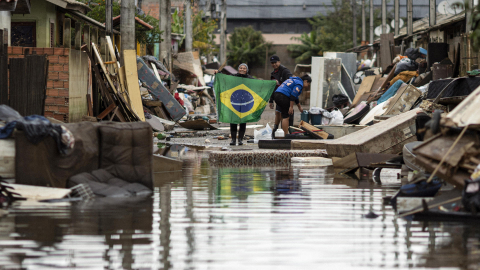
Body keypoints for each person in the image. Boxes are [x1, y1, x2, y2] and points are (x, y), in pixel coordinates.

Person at [215, 63, 253, 146]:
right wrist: (218, 73)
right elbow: (225, 79)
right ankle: (233, 140)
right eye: (241, 68)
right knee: (233, 121)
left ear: (247, 70)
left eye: (244, 68)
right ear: (238, 69)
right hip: (234, 102)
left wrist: (271, 82)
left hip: (245, 103)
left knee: (243, 122)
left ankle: (240, 140)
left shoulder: (250, 79)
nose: (242, 69)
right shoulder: (233, 76)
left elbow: (259, 84)